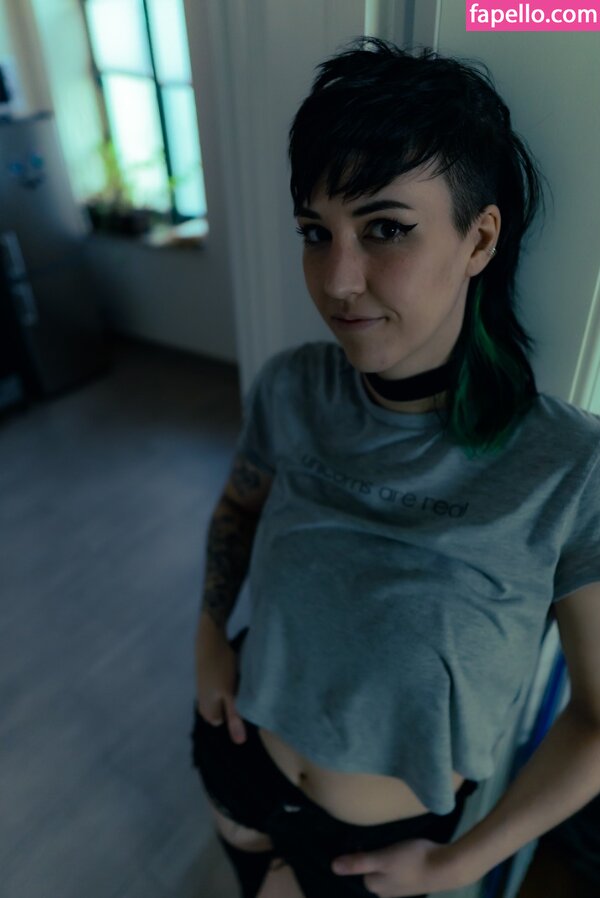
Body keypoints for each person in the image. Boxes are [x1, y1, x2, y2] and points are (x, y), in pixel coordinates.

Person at [190, 37, 600, 898]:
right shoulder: (293, 387)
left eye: (385, 228)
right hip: (238, 762)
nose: (338, 280)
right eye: (315, 232)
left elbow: (599, 723)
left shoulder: (569, 467)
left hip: (379, 851)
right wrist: (208, 638)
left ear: (479, 238)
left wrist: (461, 862)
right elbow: (237, 508)